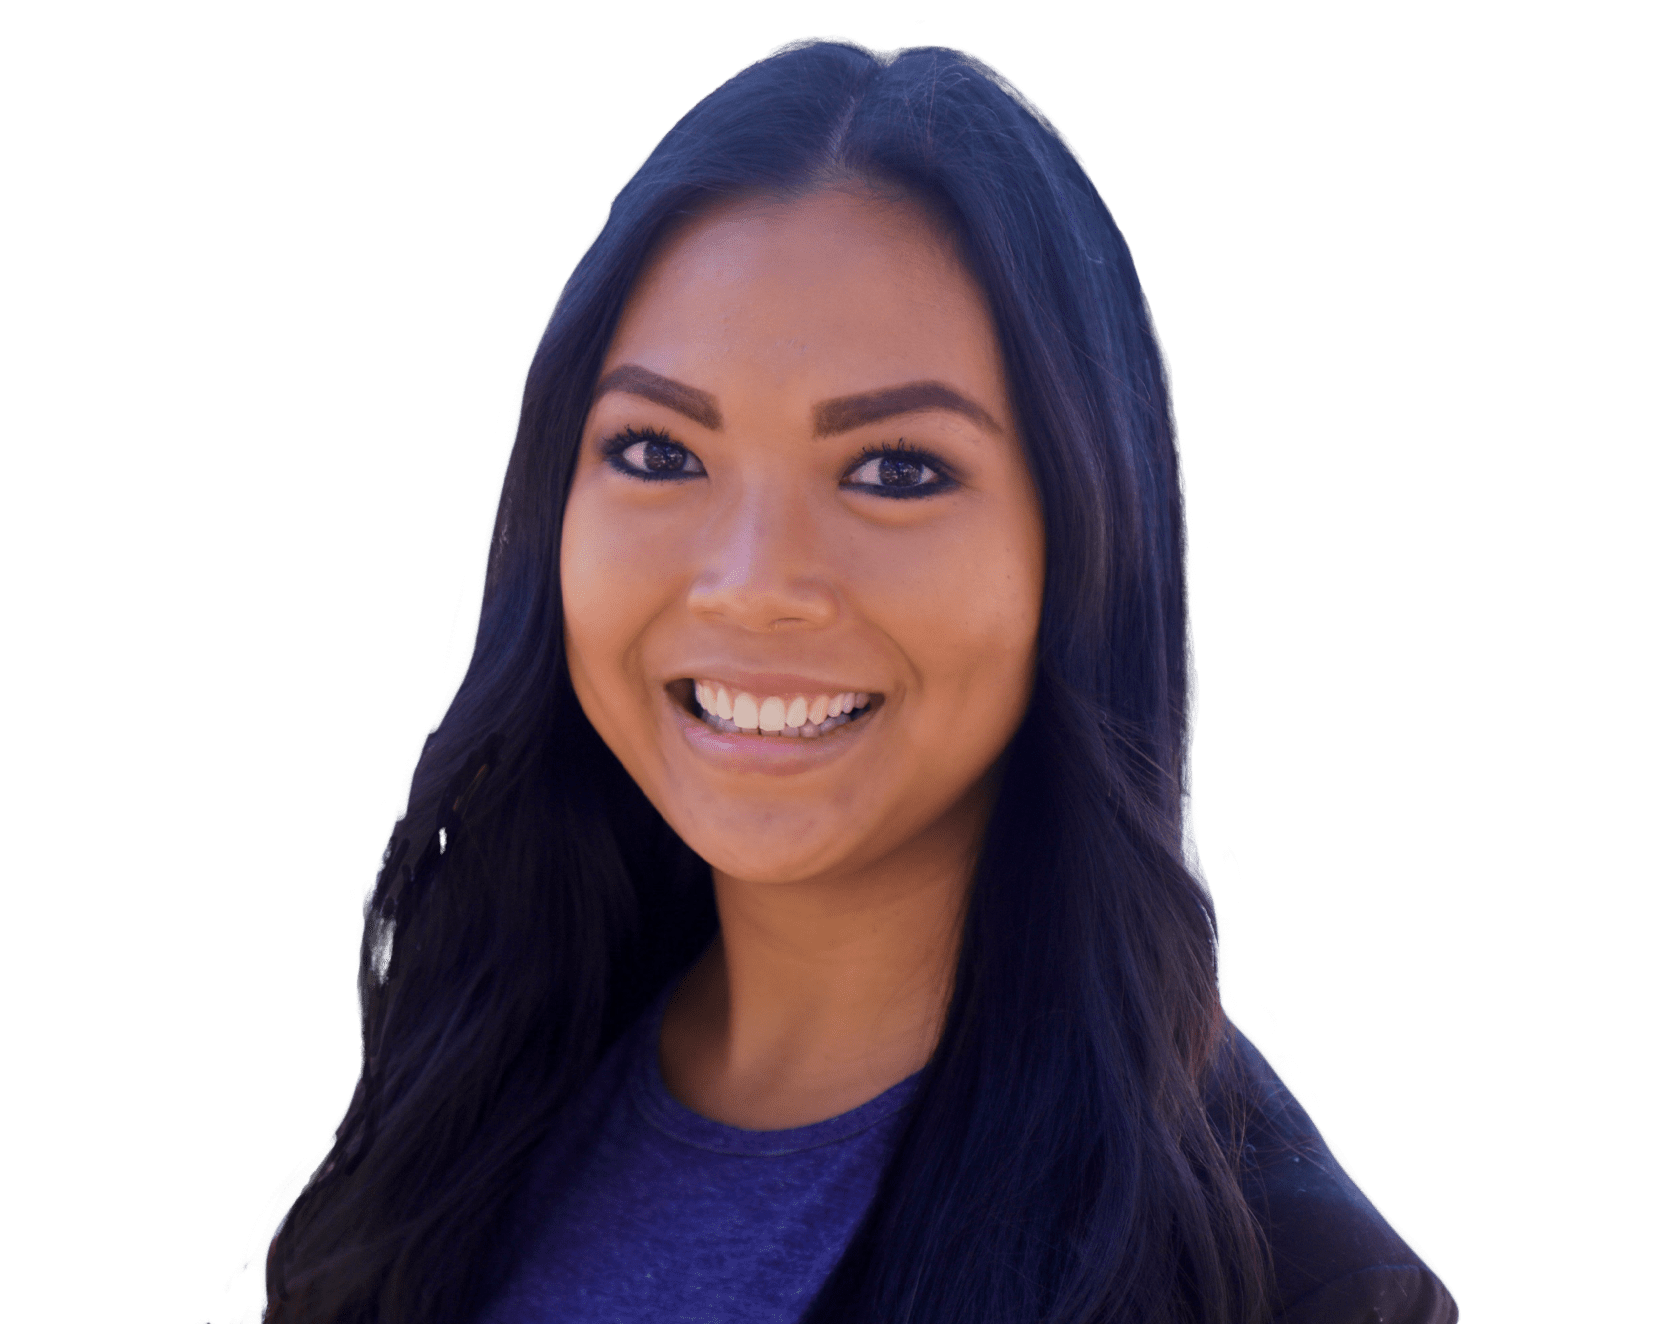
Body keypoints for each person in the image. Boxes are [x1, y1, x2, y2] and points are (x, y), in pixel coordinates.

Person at [261, 36, 1458, 1324]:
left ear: (1083, 545)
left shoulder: (1289, 1287)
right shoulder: (466, 1086)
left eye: (895, 470)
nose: (750, 583)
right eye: (658, 451)